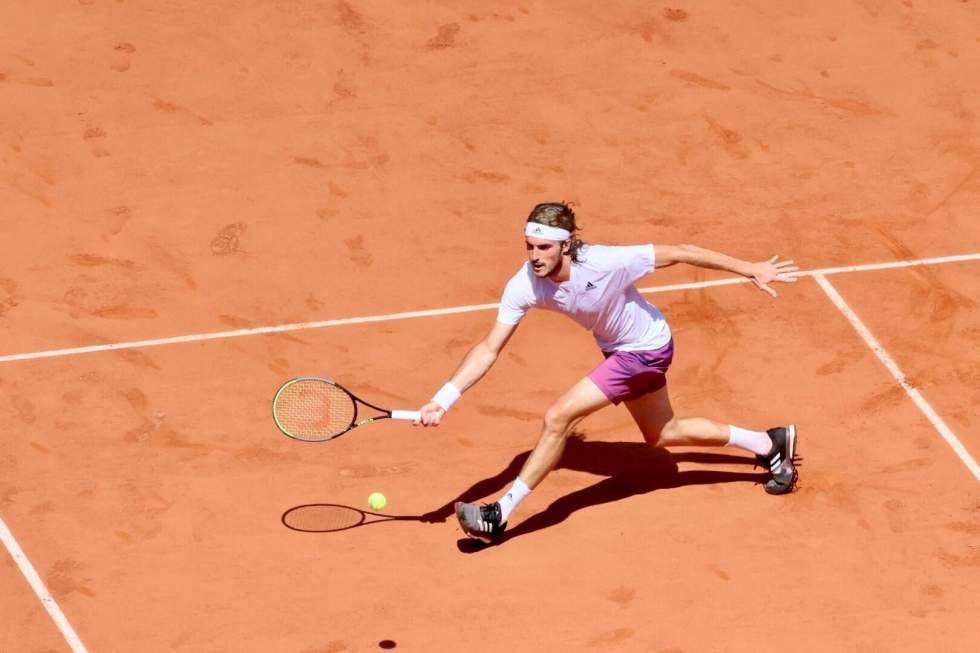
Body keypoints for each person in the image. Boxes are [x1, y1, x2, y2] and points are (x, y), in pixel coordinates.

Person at [414, 202, 800, 543]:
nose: (534, 256)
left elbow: (682, 252)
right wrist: (443, 399)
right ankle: (770, 444)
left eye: (544, 247)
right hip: (622, 350)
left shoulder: (606, 261)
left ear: (566, 245)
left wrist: (749, 268)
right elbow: (487, 348)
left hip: (644, 350)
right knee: (664, 434)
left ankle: (499, 515)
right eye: (529, 246)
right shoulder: (525, 284)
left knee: (558, 418)